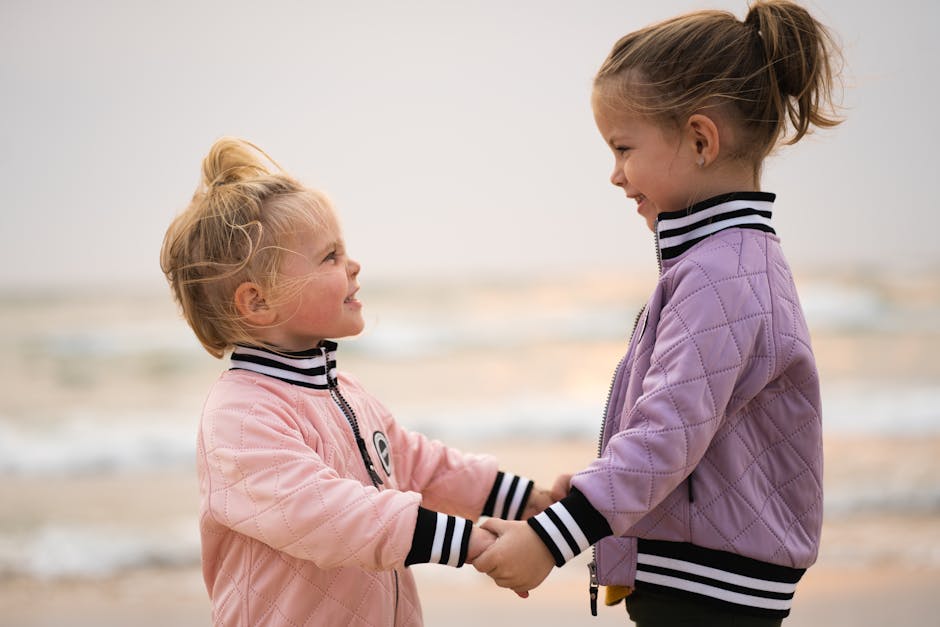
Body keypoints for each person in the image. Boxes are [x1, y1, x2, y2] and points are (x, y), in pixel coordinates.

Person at [474, 1, 842, 625]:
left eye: (623, 148)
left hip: (704, 593)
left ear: (701, 139)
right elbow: (686, 435)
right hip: (706, 580)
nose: (616, 175)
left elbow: (667, 435)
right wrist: (588, 494)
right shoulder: (727, 261)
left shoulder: (720, 273)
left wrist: (551, 540)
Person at [160, 136, 550, 626]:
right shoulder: (240, 418)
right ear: (258, 302)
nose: (353, 265)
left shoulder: (343, 392)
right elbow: (334, 515)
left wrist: (526, 499)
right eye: (329, 257)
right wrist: (466, 543)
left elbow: (419, 466)